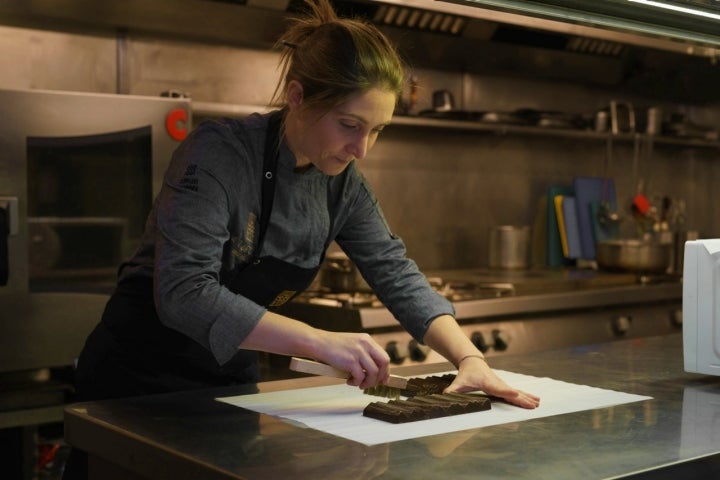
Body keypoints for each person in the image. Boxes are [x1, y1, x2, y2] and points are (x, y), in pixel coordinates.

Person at [63, 0, 539, 477]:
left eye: (377, 131)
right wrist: (319, 341)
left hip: (227, 384)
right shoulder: (219, 154)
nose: (362, 150)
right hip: (134, 382)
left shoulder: (344, 184)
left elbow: (394, 271)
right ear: (296, 96)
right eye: (350, 126)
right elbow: (183, 293)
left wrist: (467, 357)